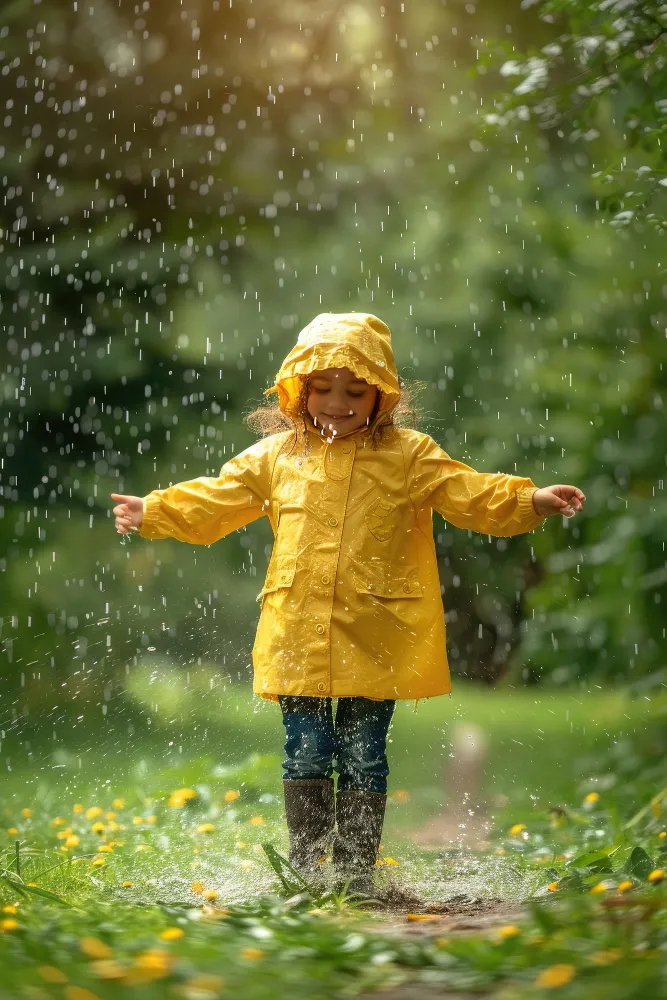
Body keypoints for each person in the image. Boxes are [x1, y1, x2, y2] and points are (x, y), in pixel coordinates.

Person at [111, 312, 585, 901]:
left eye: (354, 392)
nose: (337, 403)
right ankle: (310, 873)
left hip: (376, 632)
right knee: (305, 748)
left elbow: (467, 491)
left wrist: (531, 498)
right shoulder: (275, 457)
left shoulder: (409, 456)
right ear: (298, 391)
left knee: (364, 752)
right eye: (323, 390)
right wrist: (152, 510)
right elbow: (215, 498)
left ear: (381, 397)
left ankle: (357, 875)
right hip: (298, 631)